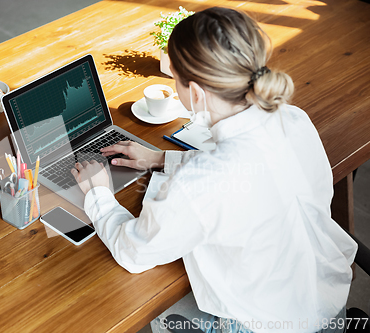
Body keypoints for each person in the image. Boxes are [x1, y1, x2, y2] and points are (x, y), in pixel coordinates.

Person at [70, 7, 357, 333]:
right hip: (327, 302)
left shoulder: (202, 183)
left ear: (194, 93)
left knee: (141, 310)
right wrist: (160, 159)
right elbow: (248, 170)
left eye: (175, 79)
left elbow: (134, 252)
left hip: (268, 324)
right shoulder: (292, 118)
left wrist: (98, 193)